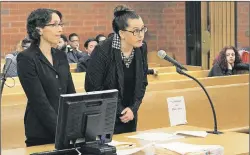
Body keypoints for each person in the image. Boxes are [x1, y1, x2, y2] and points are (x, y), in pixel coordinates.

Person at [85, 5, 148, 134]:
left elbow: (142, 82)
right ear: (122, 33)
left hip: (130, 116)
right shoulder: (102, 50)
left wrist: (133, 108)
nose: (141, 35)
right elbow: (93, 87)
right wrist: (120, 110)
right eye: (136, 31)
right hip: (105, 117)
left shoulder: (141, 48)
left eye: (143, 29)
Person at [17, 8, 76, 147]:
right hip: (41, 132)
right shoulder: (26, 58)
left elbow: (71, 94)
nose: (60, 29)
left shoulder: (61, 56)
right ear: (39, 30)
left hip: (66, 131)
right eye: (54, 24)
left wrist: (75, 126)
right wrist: (62, 131)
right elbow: (39, 102)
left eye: (61, 24)